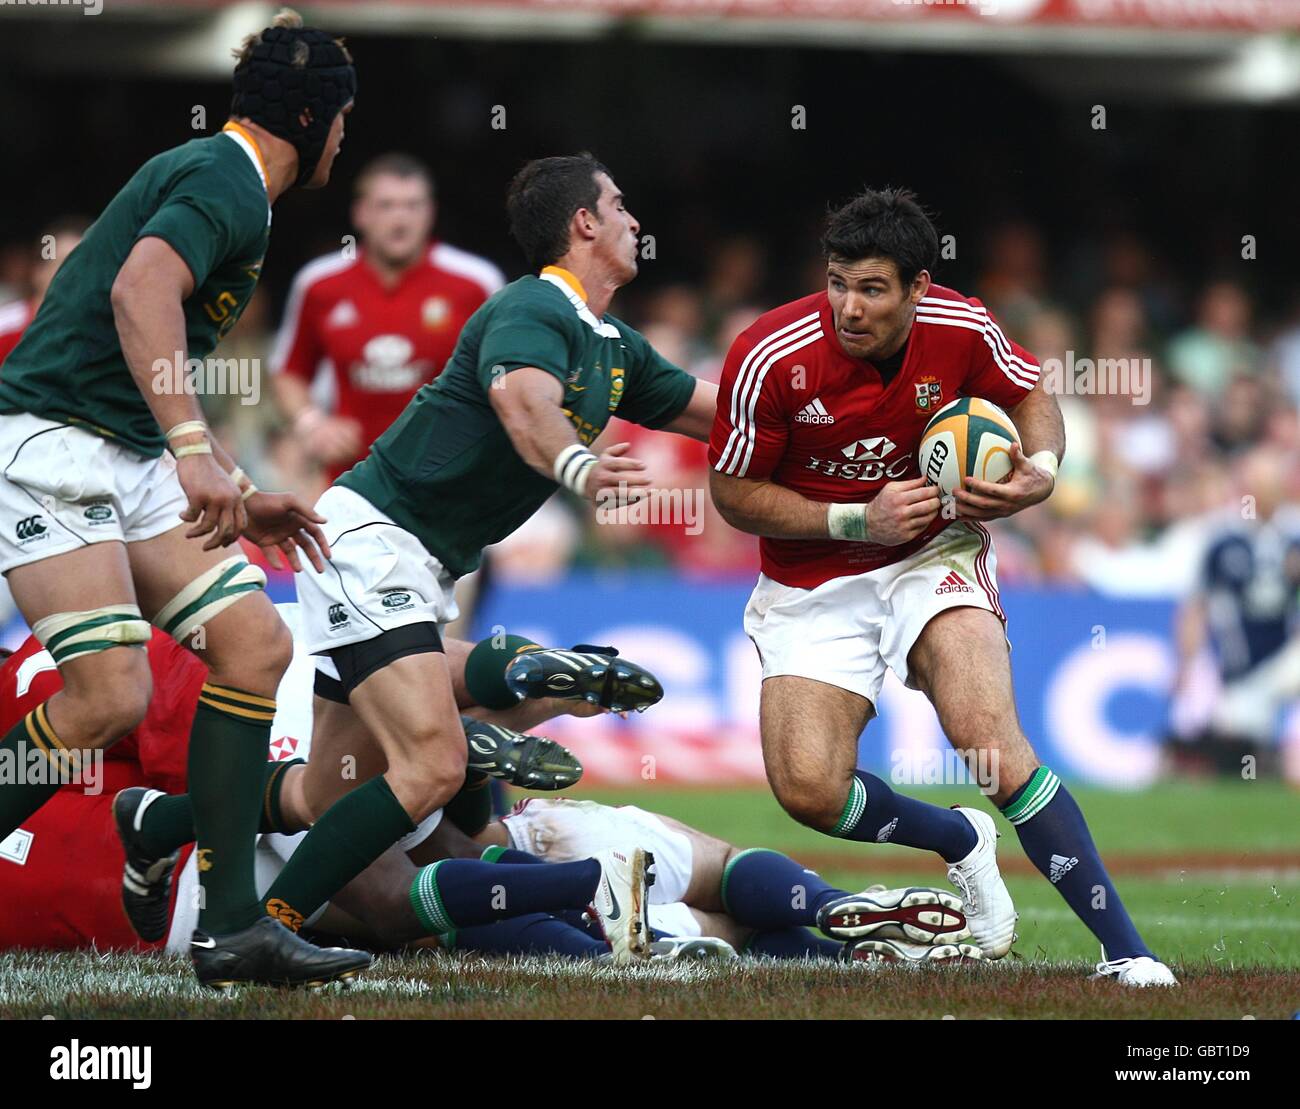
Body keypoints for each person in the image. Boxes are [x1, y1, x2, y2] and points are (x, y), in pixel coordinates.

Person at [707, 187, 1177, 986]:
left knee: (989, 740)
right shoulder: (768, 353)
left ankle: (1129, 952)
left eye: (872, 288)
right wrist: (859, 519)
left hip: (931, 555)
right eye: (837, 282)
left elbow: (1030, 394)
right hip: (811, 574)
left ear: (918, 288)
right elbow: (730, 492)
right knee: (809, 789)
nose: (848, 307)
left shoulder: (961, 325)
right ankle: (957, 838)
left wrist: (1042, 471)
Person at [252, 153, 718, 956]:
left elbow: (731, 416)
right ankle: (262, 930)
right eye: (621, 205)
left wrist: (846, 438)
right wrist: (577, 464)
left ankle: (157, 823)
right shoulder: (532, 305)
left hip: (416, 566)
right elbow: (520, 399)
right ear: (584, 225)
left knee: (331, 788)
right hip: (374, 542)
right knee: (430, 761)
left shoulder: (613, 345)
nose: (636, 221)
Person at [0, 9, 371, 989]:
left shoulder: (222, 175)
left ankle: (234, 928)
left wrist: (236, 494)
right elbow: (140, 292)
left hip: (115, 448)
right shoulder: (228, 181)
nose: (346, 138)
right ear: (310, 117)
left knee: (254, 645)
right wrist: (197, 450)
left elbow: (146, 350)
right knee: (108, 695)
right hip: (52, 443)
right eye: (342, 120)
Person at [271, 152, 504, 483]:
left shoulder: (475, 283)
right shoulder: (319, 284)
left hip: (453, 481)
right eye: (386, 206)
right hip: (353, 481)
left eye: (412, 206)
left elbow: (507, 375)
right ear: (360, 213)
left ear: (430, 213)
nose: (400, 219)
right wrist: (311, 424)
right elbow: (289, 371)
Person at [1170, 448, 1300, 774]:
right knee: (1235, 742)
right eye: (1255, 483)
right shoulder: (1222, 538)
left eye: (1268, 483)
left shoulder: (1294, 533)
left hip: (1289, 654)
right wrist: (1186, 663)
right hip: (1245, 671)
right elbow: (1196, 606)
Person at [0, 218, 91, 366]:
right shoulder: (5, 329)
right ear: (38, 270)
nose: (76, 274)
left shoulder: (102, 334)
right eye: (65, 263)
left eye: (85, 265)